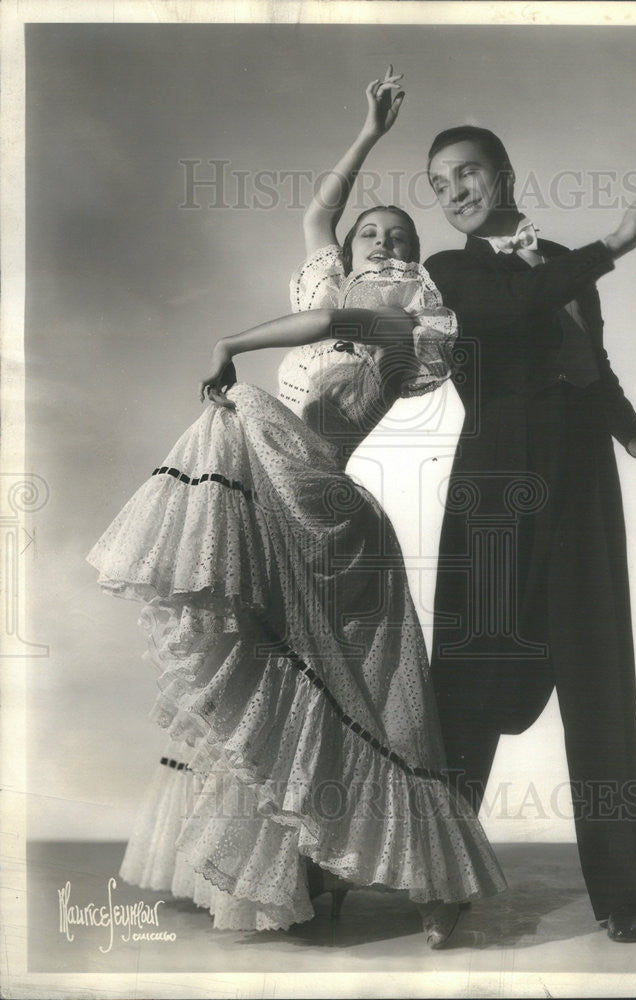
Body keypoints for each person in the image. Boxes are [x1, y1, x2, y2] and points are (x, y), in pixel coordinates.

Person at [86, 73, 506, 948]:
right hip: (273, 506)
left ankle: (435, 886)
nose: (385, 242)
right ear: (351, 250)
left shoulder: (415, 319)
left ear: (414, 261)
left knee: (370, 702)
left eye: (401, 237)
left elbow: (325, 323)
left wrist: (233, 340)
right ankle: (306, 870)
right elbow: (322, 216)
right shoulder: (330, 278)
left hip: (334, 518)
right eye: (371, 234)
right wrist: (366, 132)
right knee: (278, 686)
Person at [424, 126, 636, 943]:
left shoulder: (556, 260)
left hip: (582, 474)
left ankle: (623, 896)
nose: (453, 191)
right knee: (470, 684)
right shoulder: (450, 271)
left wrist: (632, 433)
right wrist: (612, 244)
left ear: (501, 173)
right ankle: (439, 886)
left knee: (598, 676)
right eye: (439, 184)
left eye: (466, 172)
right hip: (495, 478)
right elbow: (512, 306)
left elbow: (593, 360)